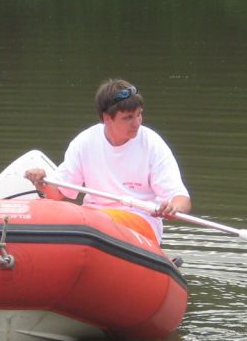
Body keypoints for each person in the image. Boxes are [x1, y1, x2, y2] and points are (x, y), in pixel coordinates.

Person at [25, 79, 191, 243]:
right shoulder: (84, 142)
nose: (137, 123)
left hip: (139, 219)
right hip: (92, 220)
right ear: (107, 118)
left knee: (93, 221)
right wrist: (42, 182)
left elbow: (181, 199)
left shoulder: (152, 144)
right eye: (128, 117)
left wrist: (173, 208)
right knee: (78, 219)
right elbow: (58, 193)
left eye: (139, 114)